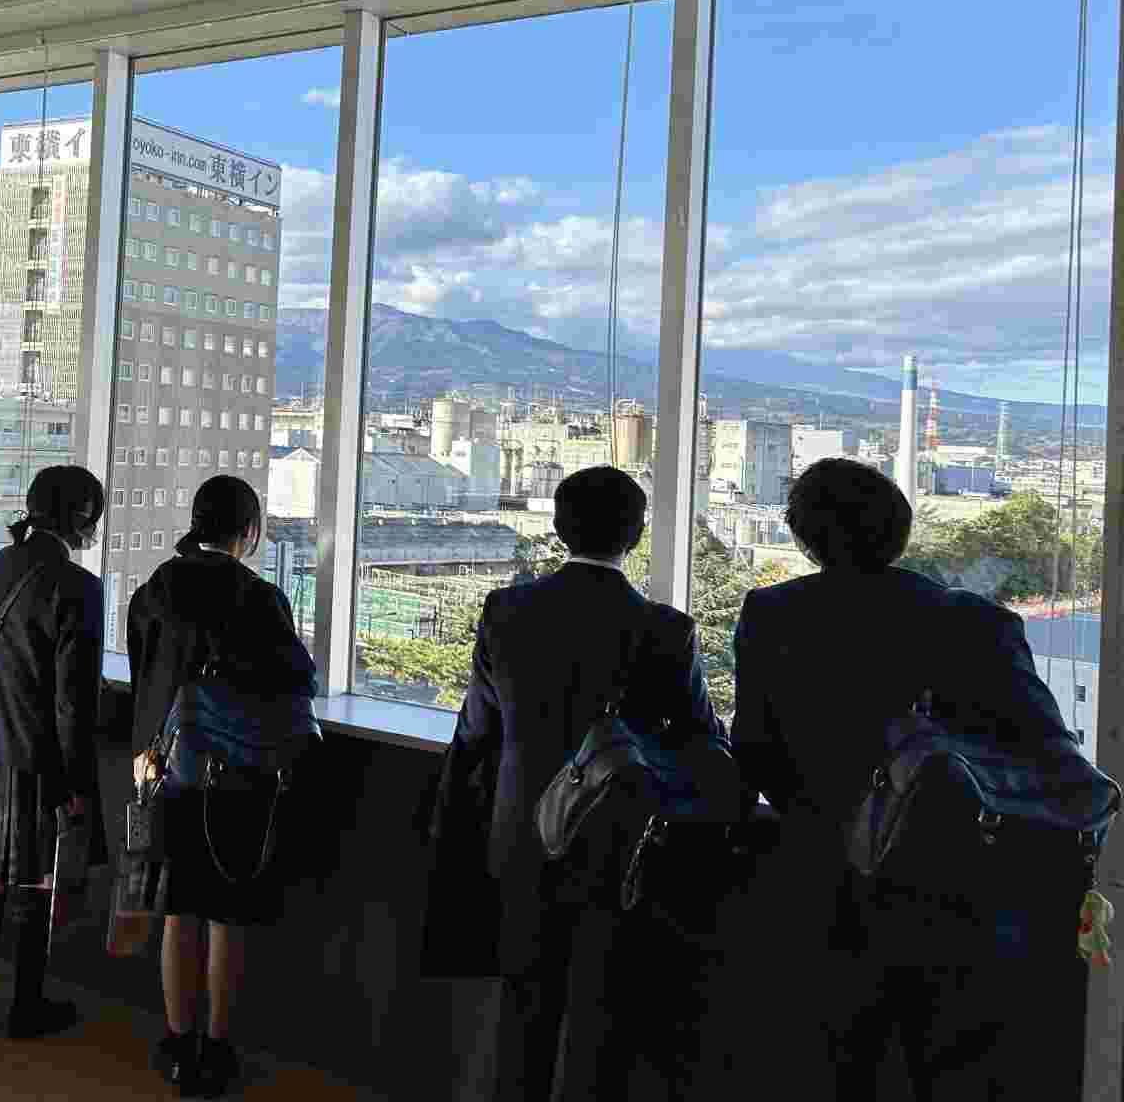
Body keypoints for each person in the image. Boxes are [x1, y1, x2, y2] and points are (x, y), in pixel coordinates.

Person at [732, 458, 1081, 1100]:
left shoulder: (773, 613)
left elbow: (753, 750)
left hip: (816, 875)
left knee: (826, 1063)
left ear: (806, 537)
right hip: (958, 884)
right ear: (899, 529)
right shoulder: (974, 620)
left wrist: (823, 816)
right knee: (950, 1067)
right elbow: (1042, 757)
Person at [435, 465, 721, 1101]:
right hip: (623, 844)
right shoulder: (666, 630)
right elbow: (702, 742)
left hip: (519, 833)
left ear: (560, 527)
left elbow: (477, 728)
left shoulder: (506, 610)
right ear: (637, 534)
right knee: (605, 1014)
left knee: (523, 1005)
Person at [126, 475, 317, 1097]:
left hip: (168, 770)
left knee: (178, 911)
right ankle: (217, 1048)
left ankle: (177, 1043)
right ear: (250, 532)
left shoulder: (156, 587)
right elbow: (295, 680)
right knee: (225, 916)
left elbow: (144, 675)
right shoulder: (260, 597)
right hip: (237, 776)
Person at [0, 464, 106, 1041]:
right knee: (35, 879)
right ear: (81, 518)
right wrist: (76, 783)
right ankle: (25, 1007)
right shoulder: (79, 586)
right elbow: (74, 699)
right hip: (39, 752)